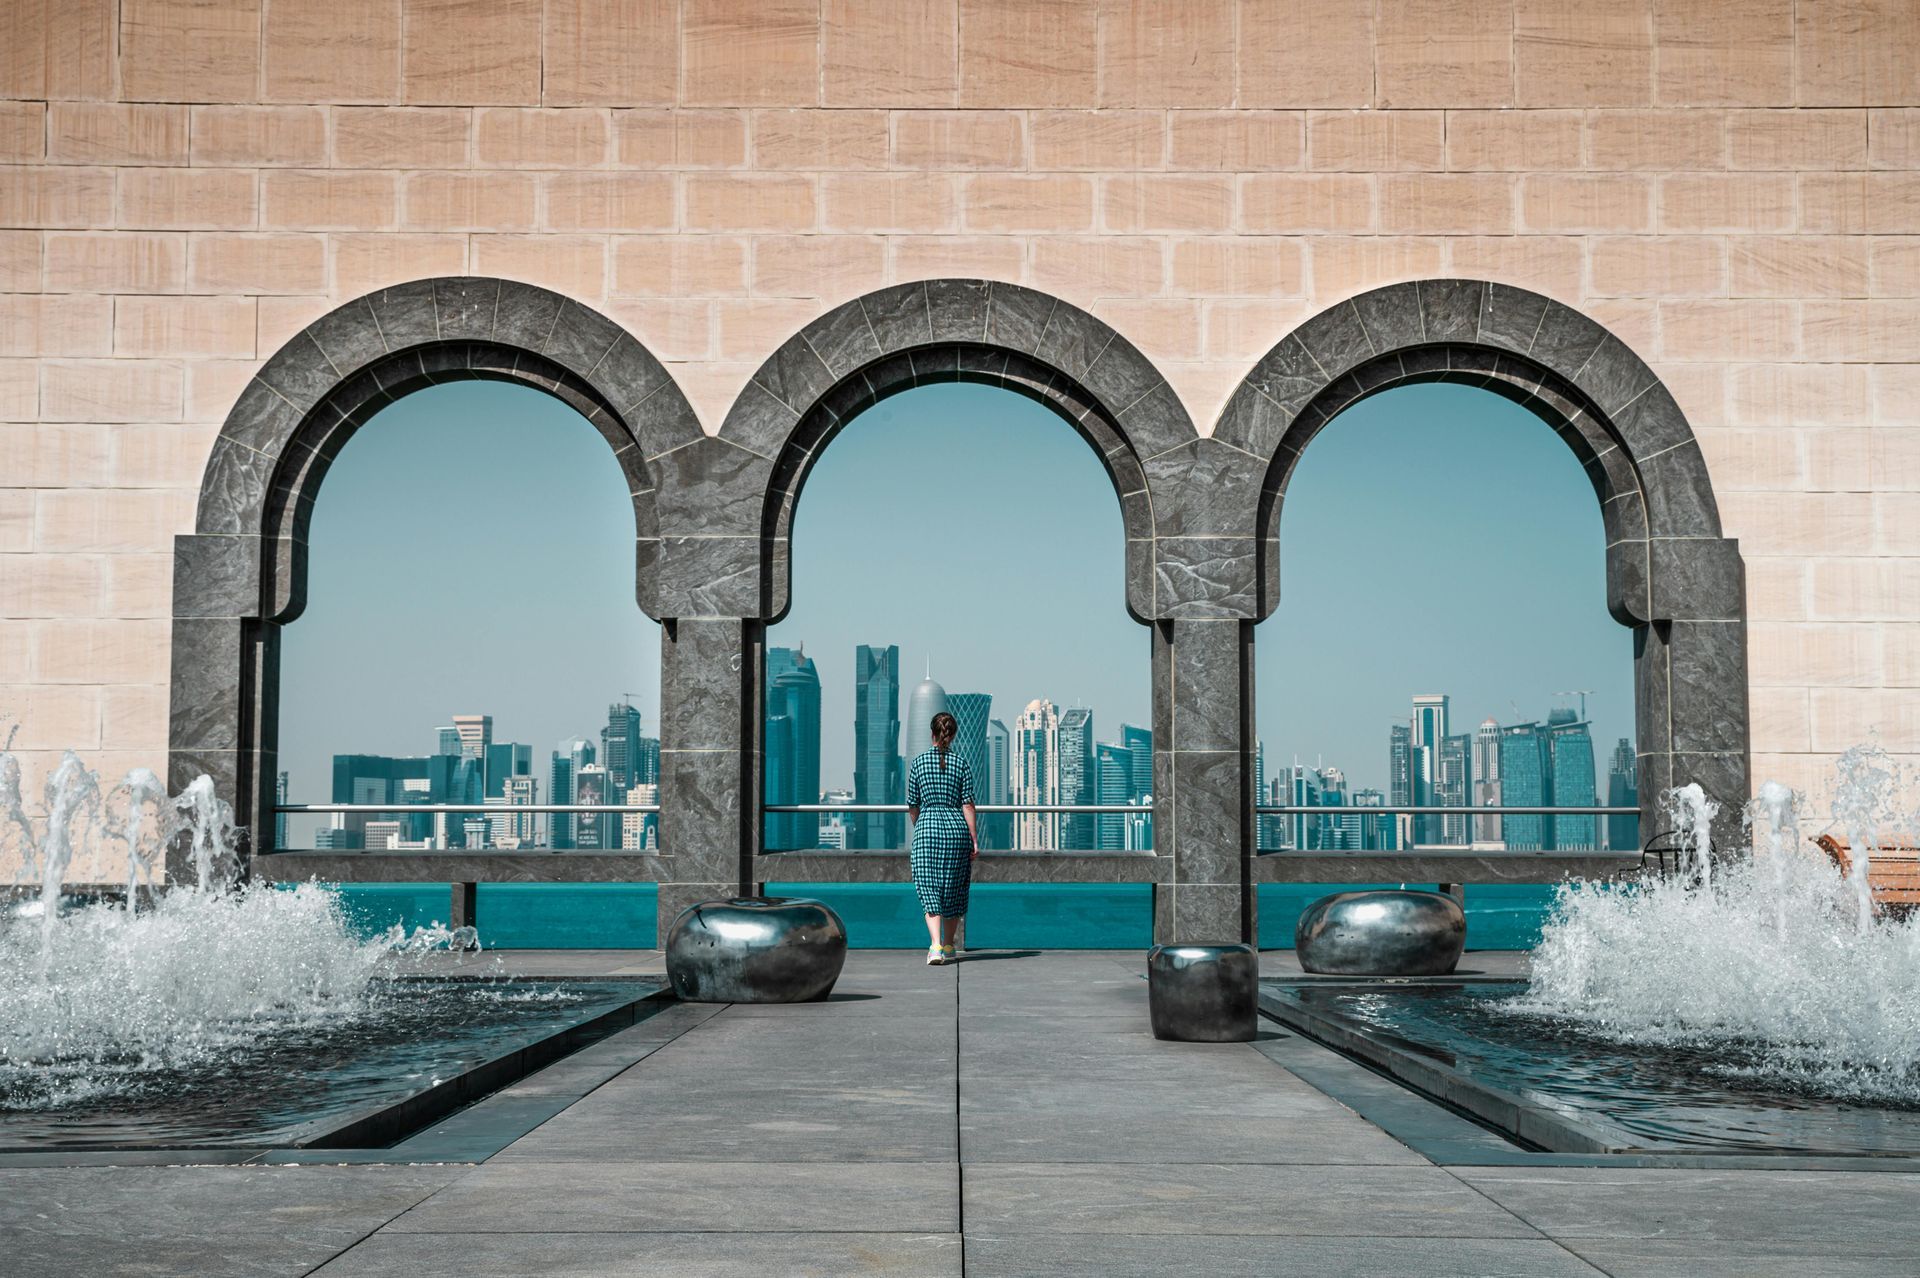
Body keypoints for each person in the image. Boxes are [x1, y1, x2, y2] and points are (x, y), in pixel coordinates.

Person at [906, 710, 978, 965]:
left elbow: (913, 804)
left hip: (927, 829)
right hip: (957, 831)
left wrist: (921, 825)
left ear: (932, 734)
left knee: (929, 888)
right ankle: (949, 945)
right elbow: (967, 804)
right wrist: (973, 838)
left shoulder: (918, 763)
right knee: (954, 889)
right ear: (953, 734)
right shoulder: (961, 763)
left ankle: (935, 946)